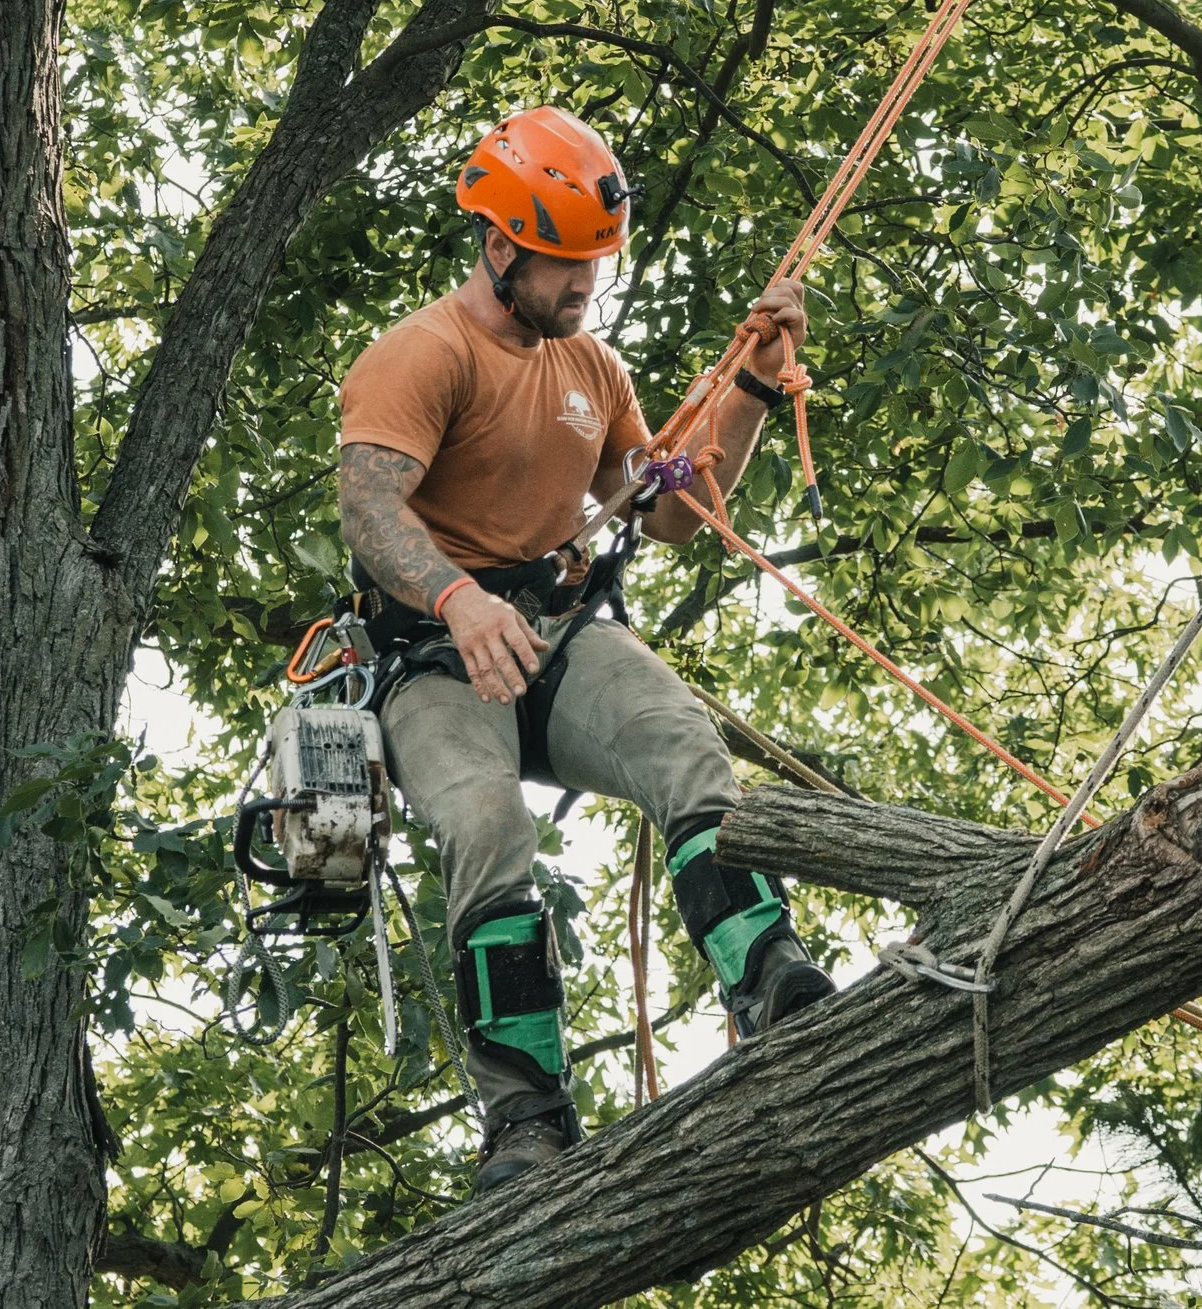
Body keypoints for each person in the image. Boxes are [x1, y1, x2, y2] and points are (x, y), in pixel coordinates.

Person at [336, 106, 836, 1192]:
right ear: (501, 244)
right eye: (566, 266)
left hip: (560, 634)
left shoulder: (592, 367)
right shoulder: (421, 354)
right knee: (484, 821)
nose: (584, 287)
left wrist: (750, 388)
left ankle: (767, 981)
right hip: (436, 657)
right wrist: (460, 599)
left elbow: (666, 512)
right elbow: (370, 514)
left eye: (594, 265)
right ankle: (525, 1117)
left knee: (679, 743)